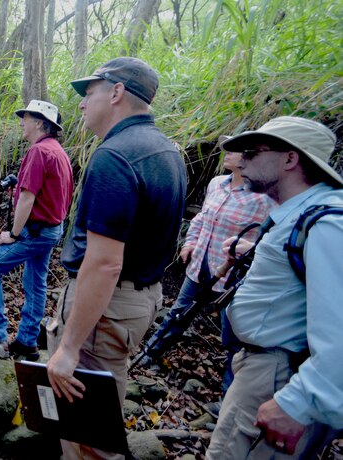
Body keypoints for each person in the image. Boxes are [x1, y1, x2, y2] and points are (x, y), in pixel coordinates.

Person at [45, 57, 187, 459]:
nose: (82, 104)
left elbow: (105, 262)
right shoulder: (166, 149)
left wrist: (70, 346)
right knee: (95, 421)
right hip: (137, 301)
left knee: (85, 433)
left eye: (88, 93)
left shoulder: (116, 156)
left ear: (117, 92)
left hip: (104, 308)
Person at [206, 116, 343, 459]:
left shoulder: (325, 223)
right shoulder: (300, 216)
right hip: (268, 368)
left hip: (278, 376)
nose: (242, 160)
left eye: (252, 152)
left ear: (290, 159)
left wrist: (296, 402)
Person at [140, 140, 276, 389]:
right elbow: (202, 218)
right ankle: (149, 355)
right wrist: (189, 243)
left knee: (233, 336)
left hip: (231, 278)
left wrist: (250, 250)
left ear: (249, 157)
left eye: (234, 151)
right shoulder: (217, 184)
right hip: (200, 264)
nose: (228, 153)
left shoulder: (263, 196)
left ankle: (228, 393)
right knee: (177, 315)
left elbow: (273, 235)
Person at [0, 100, 73, 360]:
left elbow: (28, 197)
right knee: (36, 283)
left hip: (34, 231)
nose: (22, 122)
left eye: (26, 118)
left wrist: (13, 234)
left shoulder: (39, 152)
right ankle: (26, 341)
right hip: (51, 230)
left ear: (39, 123)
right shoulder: (58, 151)